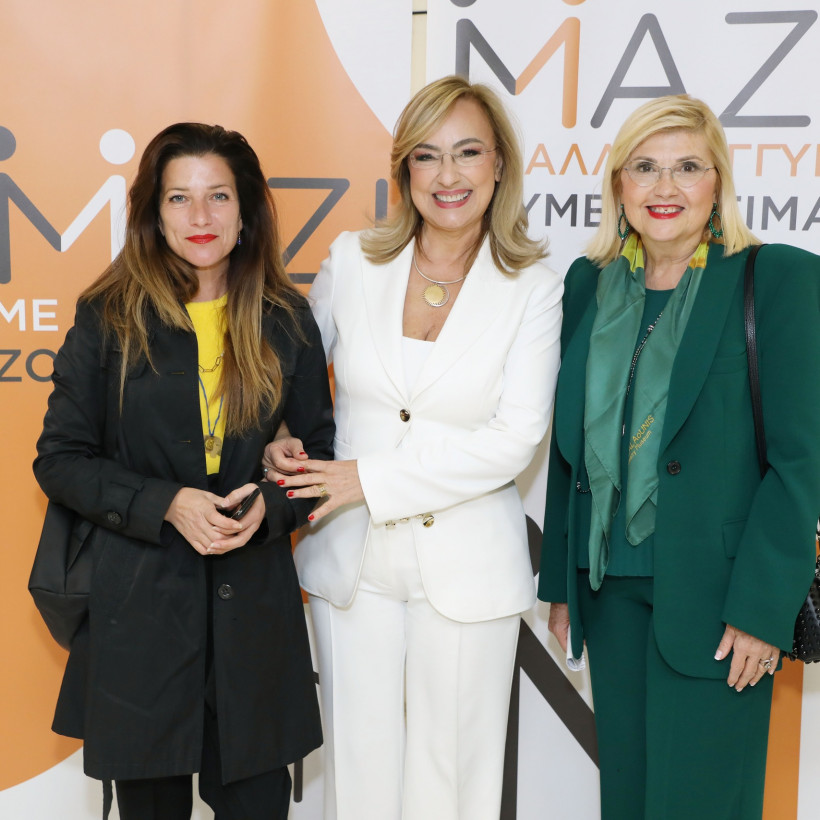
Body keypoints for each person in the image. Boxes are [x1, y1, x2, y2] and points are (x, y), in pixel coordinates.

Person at [263, 76, 562, 819]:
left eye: (468, 152)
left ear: (500, 163)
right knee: (357, 770)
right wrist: (280, 437)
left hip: (466, 564)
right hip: (350, 560)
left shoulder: (533, 286)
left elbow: (516, 438)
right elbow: (295, 379)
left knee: (453, 781)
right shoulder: (353, 260)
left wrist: (367, 479)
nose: (448, 175)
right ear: (404, 171)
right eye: (427, 156)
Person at [33, 123, 334, 820]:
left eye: (218, 196)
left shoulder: (287, 318)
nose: (201, 216)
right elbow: (60, 460)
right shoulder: (109, 316)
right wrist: (166, 502)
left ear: (246, 210)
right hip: (140, 618)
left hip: (254, 622)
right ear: (154, 213)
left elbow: (315, 454)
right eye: (179, 198)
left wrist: (272, 504)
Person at [539, 94, 820, 819]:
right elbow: (572, 444)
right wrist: (562, 582)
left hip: (721, 604)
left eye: (688, 167)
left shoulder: (777, 278)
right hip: (608, 594)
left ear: (718, 181)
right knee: (628, 803)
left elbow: (801, 461)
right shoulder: (590, 285)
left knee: (702, 806)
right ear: (619, 185)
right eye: (645, 167)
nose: (665, 187)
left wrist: (762, 609)